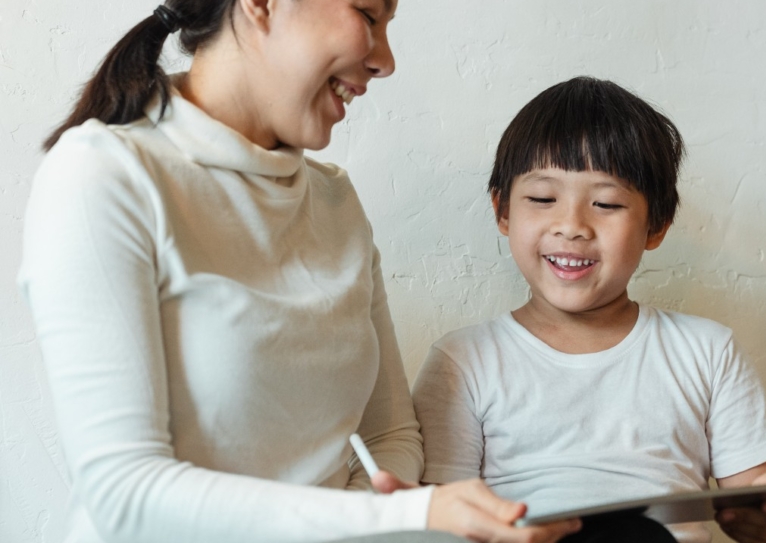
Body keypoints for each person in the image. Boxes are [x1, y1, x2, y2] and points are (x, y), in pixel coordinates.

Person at [18, 1, 583, 542]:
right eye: (367, 14)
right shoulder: (104, 175)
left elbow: (389, 434)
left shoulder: (335, 201)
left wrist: (374, 522)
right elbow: (123, 495)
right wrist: (400, 514)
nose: (385, 60)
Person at [411, 77, 766, 543]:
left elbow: (763, 507)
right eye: (543, 199)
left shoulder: (706, 350)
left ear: (656, 225)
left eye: (606, 203)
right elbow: (442, 522)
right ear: (503, 211)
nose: (572, 226)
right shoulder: (463, 359)